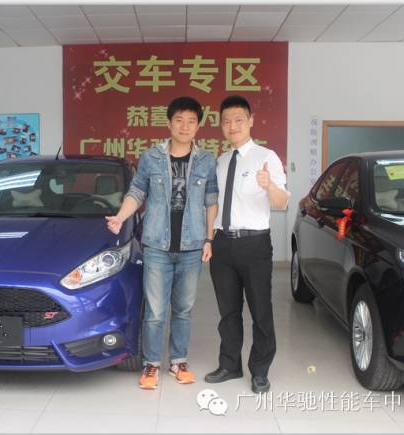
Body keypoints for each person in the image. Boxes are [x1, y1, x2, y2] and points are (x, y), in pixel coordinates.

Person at [106, 96, 218, 390]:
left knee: (183, 309)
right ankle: (152, 364)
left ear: (198, 126)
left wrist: (209, 239)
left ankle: (179, 361)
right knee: (155, 311)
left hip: (192, 246)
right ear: (169, 123)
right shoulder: (150, 158)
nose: (185, 126)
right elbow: (137, 192)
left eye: (191, 121)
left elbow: (211, 201)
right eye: (179, 120)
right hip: (157, 246)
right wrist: (120, 217)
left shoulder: (206, 161)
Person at [205, 95, 289, 394]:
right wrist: (209, 239)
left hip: (254, 245)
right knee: (228, 311)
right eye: (226, 121)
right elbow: (213, 205)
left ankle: (260, 370)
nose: (233, 126)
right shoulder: (221, 161)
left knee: (260, 310)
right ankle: (230, 365)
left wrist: (269, 185)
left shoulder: (267, 156)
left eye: (239, 120)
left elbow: (281, 203)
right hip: (223, 244)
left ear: (251, 121)